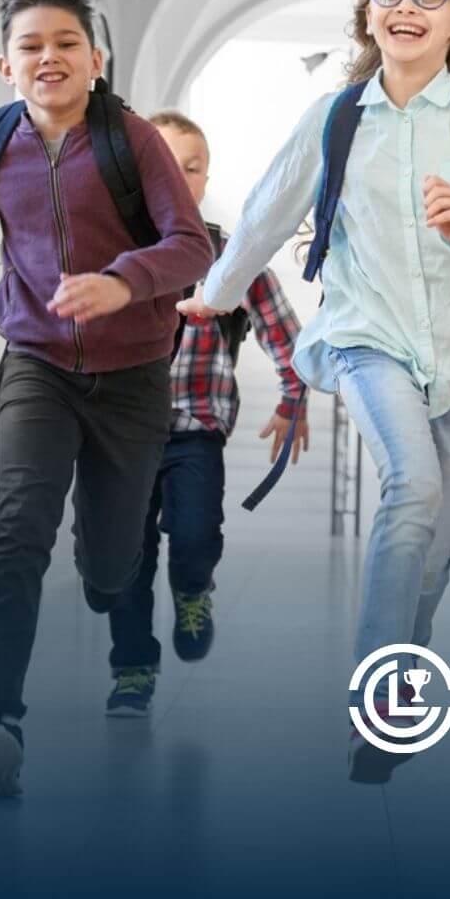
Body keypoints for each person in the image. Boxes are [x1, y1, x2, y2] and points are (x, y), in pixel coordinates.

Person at [180, 0, 450, 783]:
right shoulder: (336, 116)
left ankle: (406, 668)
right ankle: (380, 704)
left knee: (436, 551)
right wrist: (217, 290)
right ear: (368, 14)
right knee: (410, 487)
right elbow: (271, 209)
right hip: (365, 336)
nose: (405, 7)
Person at [0, 0, 214, 797]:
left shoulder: (132, 140)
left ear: (95, 59)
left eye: (66, 43)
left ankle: (108, 568)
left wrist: (122, 281)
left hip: (133, 375)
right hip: (37, 364)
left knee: (110, 566)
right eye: (31, 46)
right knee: (16, 530)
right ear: (6, 64)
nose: (49, 58)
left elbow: (191, 247)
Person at [103, 110, 310, 716]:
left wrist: (293, 397)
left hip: (195, 427)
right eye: (161, 163)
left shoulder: (230, 257)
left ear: (204, 179)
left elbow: (285, 336)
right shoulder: (110, 255)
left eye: (190, 167)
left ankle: (194, 589)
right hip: (120, 437)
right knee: (126, 562)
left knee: (193, 537)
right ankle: (133, 669)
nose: (176, 175)